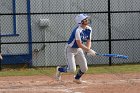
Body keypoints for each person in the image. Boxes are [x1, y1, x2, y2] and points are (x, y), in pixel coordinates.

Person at [55, 14, 96, 84]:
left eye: (87, 19)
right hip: (70, 49)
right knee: (72, 69)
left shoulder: (89, 29)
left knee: (84, 68)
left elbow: (88, 40)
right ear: (80, 22)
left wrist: (88, 50)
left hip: (78, 49)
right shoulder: (77, 30)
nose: (87, 20)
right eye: (85, 20)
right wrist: (88, 50)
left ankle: (77, 79)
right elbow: (79, 44)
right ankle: (59, 69)